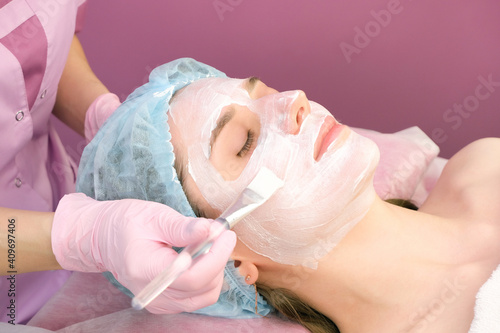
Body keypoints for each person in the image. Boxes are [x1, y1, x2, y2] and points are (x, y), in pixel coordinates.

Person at [80, 58, 499, 332]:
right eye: (243, 142)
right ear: (223, 259)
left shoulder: (484, 167)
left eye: (264, 94)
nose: (294, 101)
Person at [0, 2, 235, 324]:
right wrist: (83, 236)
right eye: (244, 143)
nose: (296, 98)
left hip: (50, 215)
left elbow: (34, 39)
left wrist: (101, 114)